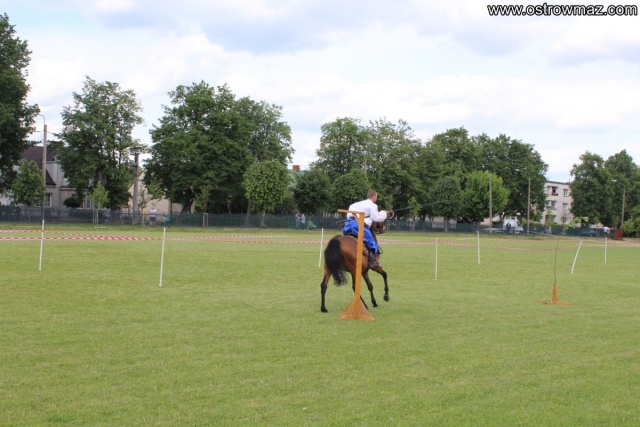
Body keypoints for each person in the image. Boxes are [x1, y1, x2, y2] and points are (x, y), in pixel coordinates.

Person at [342, 190, 388, 268]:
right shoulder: (373, 206)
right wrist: (384, 213)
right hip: (359, 226)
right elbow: (376, 218)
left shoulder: (354, 205)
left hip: (348, 225)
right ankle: (372, 261)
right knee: (372, 242)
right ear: (374, 196)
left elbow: (349, 216)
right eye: (376, 197)